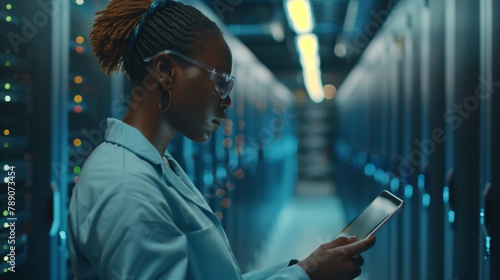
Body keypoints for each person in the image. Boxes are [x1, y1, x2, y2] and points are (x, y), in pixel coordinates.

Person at [66, 0, 376, 279]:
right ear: (165, 70)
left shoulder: (157, 166)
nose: (227, 101)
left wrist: (307, 266)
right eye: (221, 81)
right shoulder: (127, 186)